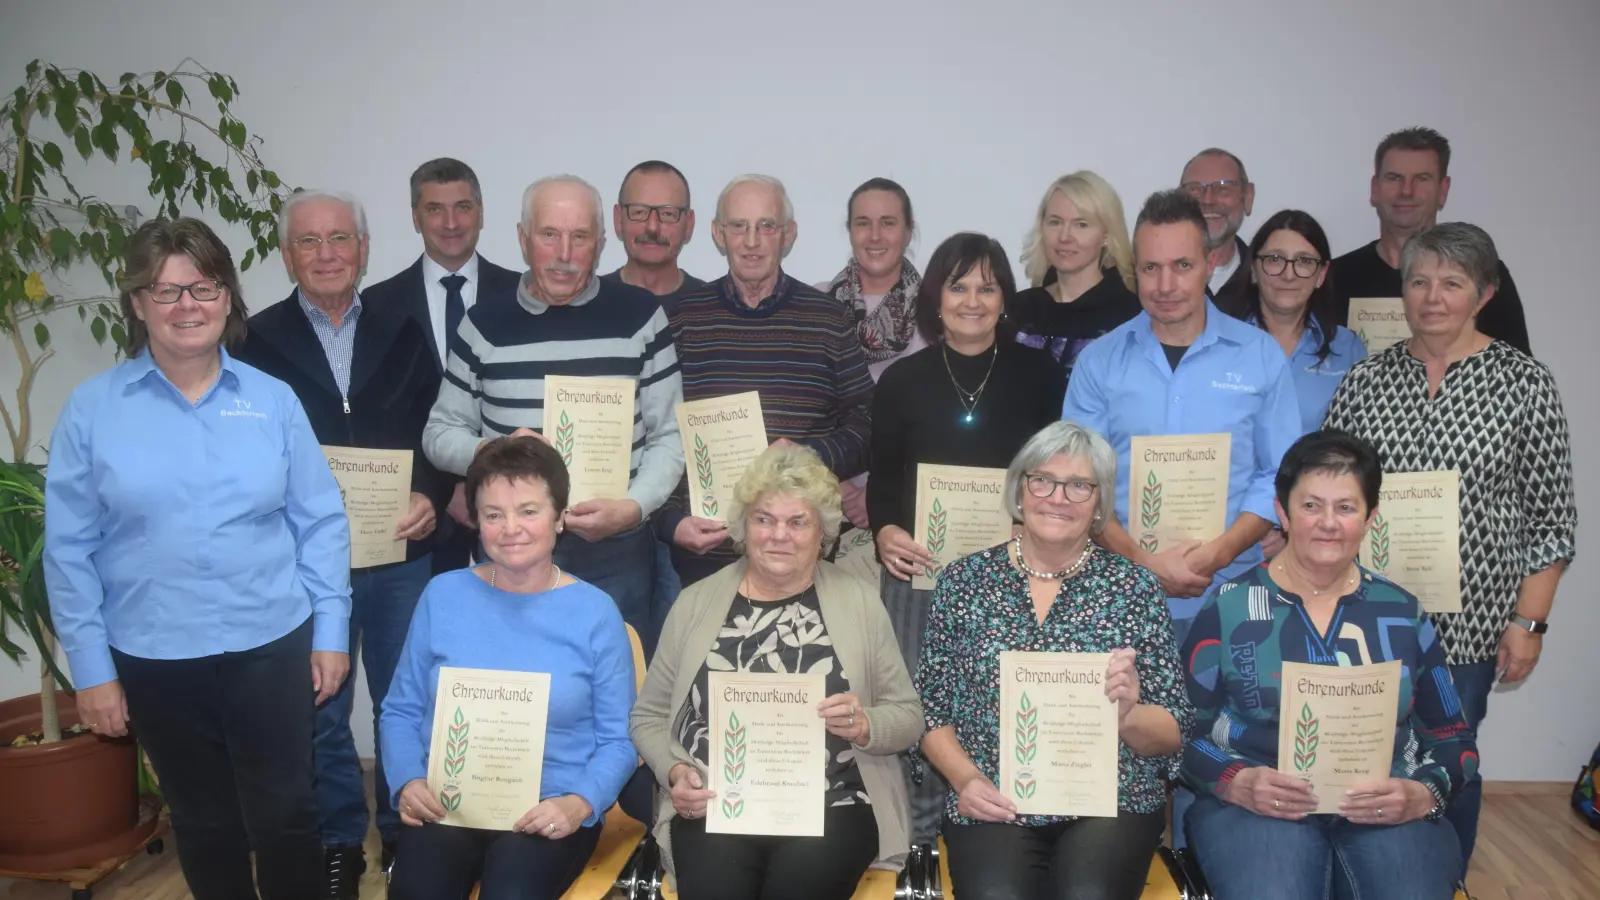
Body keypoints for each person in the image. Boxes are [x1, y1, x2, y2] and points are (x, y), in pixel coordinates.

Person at [43, 218, 351, 900]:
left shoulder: (272, 402)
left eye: (203, 287)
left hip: (271, 644)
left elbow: (320, 521)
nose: (187, 305)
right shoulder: (93, 410)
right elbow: (68, 550)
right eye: (165, 290)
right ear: (137, 303)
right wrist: (92, 671)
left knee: (289, 817)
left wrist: (330, 632)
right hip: (155, 655)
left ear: (226, 297)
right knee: (206, 822)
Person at [1322, 222, 1576, 872]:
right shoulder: (1365, 382)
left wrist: (1529, 622)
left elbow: (1552, 521)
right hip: (1366, 619)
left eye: (1453, 283)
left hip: (1471, 628)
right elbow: (1324, 491)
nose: (1432, 296)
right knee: (1362, 759)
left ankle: (1447, 882)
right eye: (1419, 281)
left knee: (1448, 761)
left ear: (1484, 292)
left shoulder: (1524, 384)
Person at [233, 188, 446, 895]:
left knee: (403, 698)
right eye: (309, 242)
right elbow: (244, 453)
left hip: (398, 553)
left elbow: (437, 428)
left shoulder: (406, 323)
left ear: (363, 247)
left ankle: (401, 829)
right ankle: (339, 840)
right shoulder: (252, 341)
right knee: (320, 704)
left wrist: (433, 495)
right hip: (304, 563)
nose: (326, 254)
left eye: (339, 239)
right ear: (287, 254)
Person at [1181, 429, 1476, 900]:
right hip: (1259, 807)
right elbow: (1181, 735)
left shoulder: (1402, 612)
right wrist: (1234, 781)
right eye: (1311, 505)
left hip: (1384, 805)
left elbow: (1453, 740)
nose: (1328, 523)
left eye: (1346, 507)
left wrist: (1423, 793)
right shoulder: (1229, 606)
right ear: (1283, 512)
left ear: (1371, 517)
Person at [630, 444, 924, 900]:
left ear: (823, 531)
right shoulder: (695, 603)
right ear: (743, 527)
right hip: (717, 805)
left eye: (797, 521)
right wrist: (673, 772)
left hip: (835, 804)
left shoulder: (859, 601)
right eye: (764, 519)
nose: (778, 535)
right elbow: (647, 717)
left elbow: (907, 716)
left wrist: (865, 724)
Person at [916, 421, 1193, 900]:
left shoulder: (1135, 589)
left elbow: (1173, 730)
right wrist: (967, 780)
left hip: (1113, 799)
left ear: (1099, 503)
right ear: (1020, 491)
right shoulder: (964, 582)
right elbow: (931, 711)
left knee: (1088, 893)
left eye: (1079, 486)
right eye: (1042, 480)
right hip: (993, 794)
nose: (1058, 497)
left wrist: (1126, 714)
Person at [423, 174, 685, 657]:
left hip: (616, 552)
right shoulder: (483, 325)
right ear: (524, 239)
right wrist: (494, 452)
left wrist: (632, 508)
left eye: (579, 236)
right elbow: (439, 433)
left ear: (601, 244)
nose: (564, 253)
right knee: (513, 695)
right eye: (549, 235)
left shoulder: (642, 317)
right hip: (511, 548)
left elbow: (671, 436)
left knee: (617, 693)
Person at [868, 232, 1063, 848]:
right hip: (918, 576)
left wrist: (1029, 525)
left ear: (1006, 297)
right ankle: (919, 842)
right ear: (936, 298)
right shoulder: (901, 381)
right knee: (919, 705)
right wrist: (886, 533)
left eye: (988, 286)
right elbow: (881, 486)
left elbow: (1057, 475)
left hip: (1014, 578)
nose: (973, 300)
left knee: (995, 702)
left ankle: (995, 829)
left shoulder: (1039, 374)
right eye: (958, 286)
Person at [380, 436, 637, 900]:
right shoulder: (443, 595)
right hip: (449, 801)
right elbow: (400, 709)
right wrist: (407, 780)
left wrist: (579, 803)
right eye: (494, 514)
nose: (510, 528)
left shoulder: (596, 613)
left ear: (560, 517)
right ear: (476, 521)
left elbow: (619, 739)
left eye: (528, 511)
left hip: (549, 809)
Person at [1062, 190, 1300, 642]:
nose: (1165, 285)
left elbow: (1279, 474)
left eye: (1182, 266)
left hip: (1234, 592)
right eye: (1151, 268)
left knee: (1229, 717)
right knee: (1129, 716)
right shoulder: (1099, 362)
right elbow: (1079, 482)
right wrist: (1144, 562)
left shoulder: (1260, 357)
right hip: (1121, 595)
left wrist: (1215, 555)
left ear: (1210, 264)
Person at [660, 174, 874, 587]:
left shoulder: (827, 319)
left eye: (767, 226)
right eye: (738, 226)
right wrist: (670, 522)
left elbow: (867, 425)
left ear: (788, 235)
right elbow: (659, 432)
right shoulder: (685, 318)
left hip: (799, 551)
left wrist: (807, 454)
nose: (752, 241)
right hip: (706, 553)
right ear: (718, 234)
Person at [362, 158, 523, 575]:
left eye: (463, 207)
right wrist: (442, 488)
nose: (450, 222)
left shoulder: (524, 296)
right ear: (416, 217)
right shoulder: (377, 306)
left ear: (482, 213)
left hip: (512, 510)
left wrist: (482, 483)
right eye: (435, 209)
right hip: (421, 518)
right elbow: (385, 416)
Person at [1331, 127, 1531, 354]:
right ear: (1375, 189)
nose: (1406, 191)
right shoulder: (1335, 278)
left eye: (1422, 179)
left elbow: (1516, 370)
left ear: (1443, 190)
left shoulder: (1479, 271)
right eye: (1394, 178)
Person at [816, 177, 925, 546]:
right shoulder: (816, 307)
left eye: (888, 223)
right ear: (850, 231)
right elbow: (805, 407)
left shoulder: (941, 313)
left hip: (908, 505)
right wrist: (840, 486)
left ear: (908, 232)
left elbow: (936, 423)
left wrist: (878, 493)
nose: (874, 235)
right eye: (863, 223)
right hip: (825, 499)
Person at [1241, 209, 1367, 434]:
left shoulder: (1348, 349)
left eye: (1304, 261)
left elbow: (1357, 440)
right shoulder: (1223, 345)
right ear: (1253, 269)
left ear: (1321, 274)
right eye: (1275, 259)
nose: (1288, 275)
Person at [1012, 170, 1140, 390]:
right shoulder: (1019, 309)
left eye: (1081, 224)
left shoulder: (1131, 317)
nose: (1065, 237)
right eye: (1055, 222)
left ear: (1106, 235)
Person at [603, 159, 706, 317]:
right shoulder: (589, 304)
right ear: (618, 219)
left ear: (689, 224)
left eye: (668, 214)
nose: (652, 226)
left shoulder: (711, 308)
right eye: (639, 212)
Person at [1179, 148, 1256, 318]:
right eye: (1195, 189)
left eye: (1223, 188)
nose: (1207, 200)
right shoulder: (1148, 280)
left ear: (1248, 197)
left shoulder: (1268, 279)